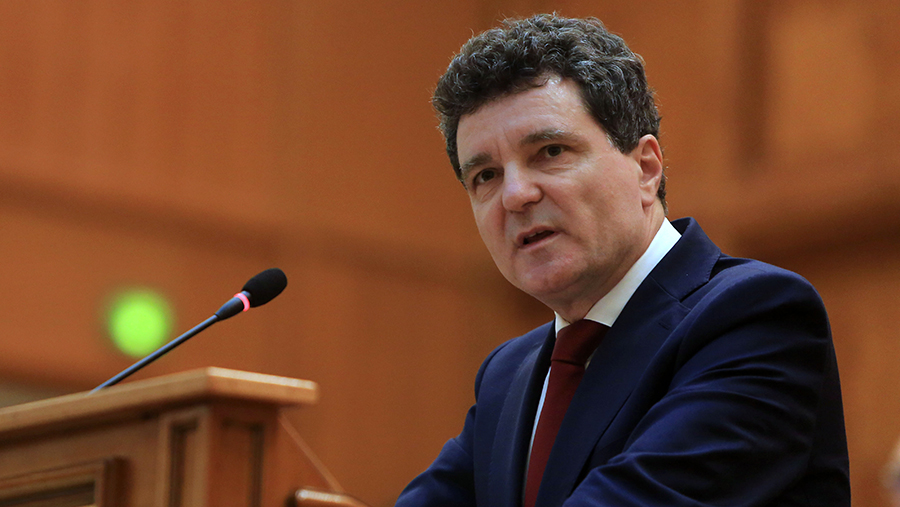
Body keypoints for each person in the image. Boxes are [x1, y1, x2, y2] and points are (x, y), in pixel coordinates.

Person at [396, 14, 850, 507]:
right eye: (485, 175)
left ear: (646, 169)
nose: (515, 195)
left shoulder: (755, 316)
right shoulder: (508, 374)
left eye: (551, 151)